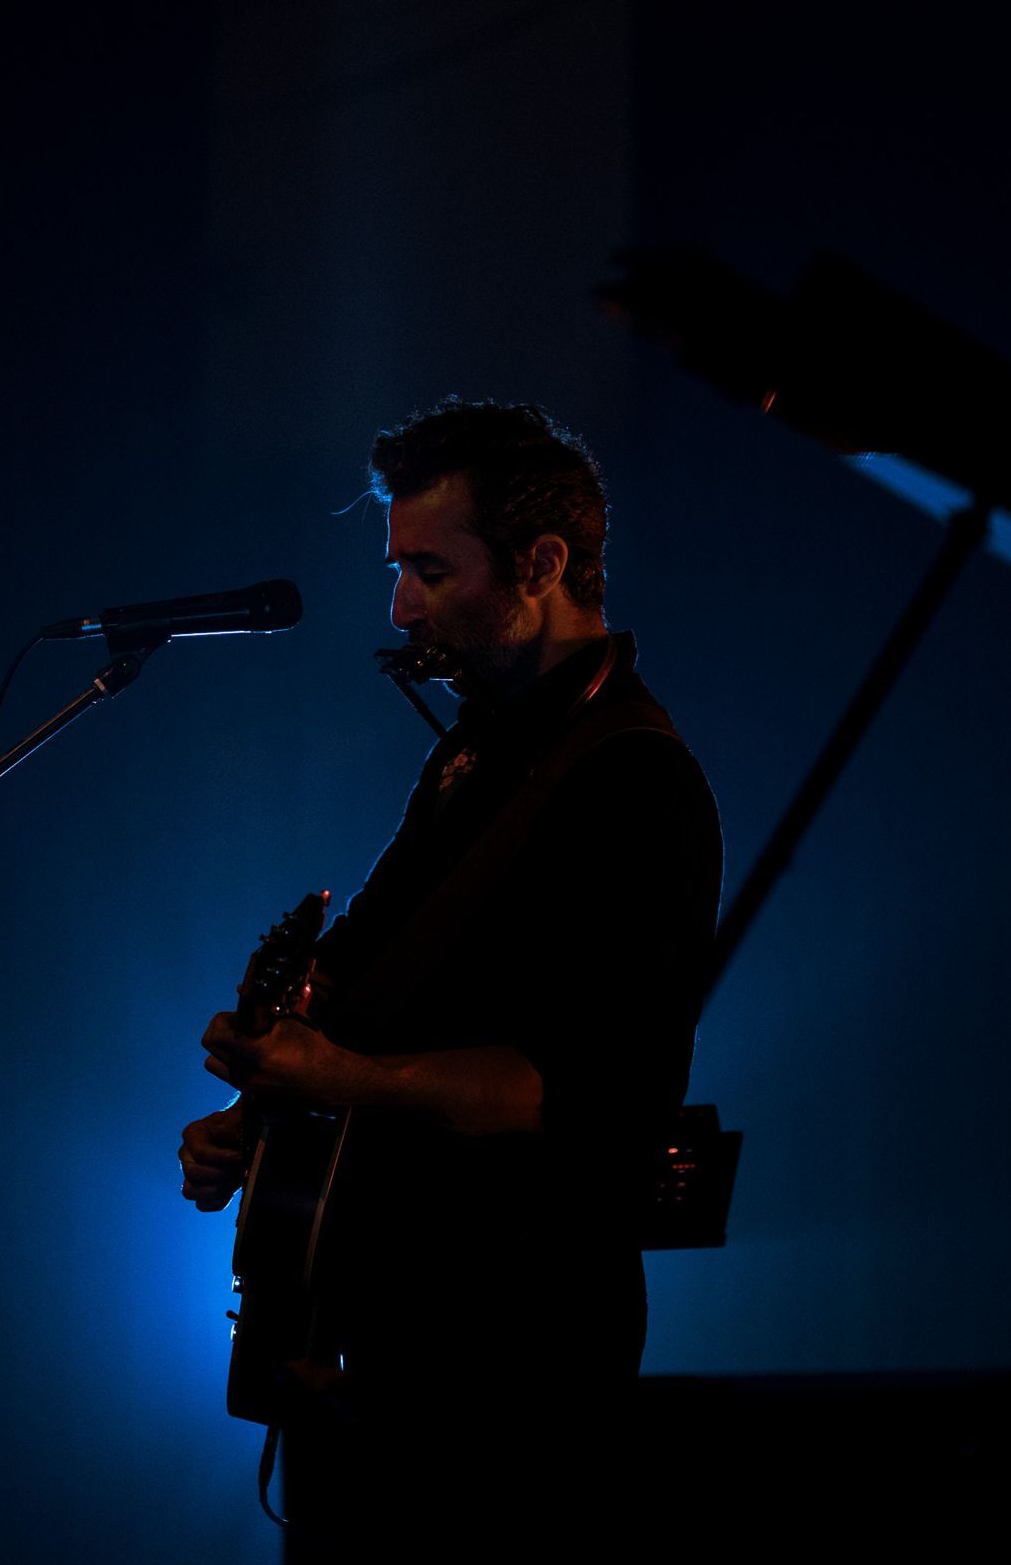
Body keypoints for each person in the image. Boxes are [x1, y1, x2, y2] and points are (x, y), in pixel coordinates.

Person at [178, 399, 723, 1558]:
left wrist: (342, 1079)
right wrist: (258, 1109)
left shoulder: (632, 781)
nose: (399, 605)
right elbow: (359, 979)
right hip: (377, 1341)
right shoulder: (475, 751)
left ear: (541, 565)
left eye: (430, 570)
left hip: (511, 1356)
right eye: (399, 568)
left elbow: (582, 1091)